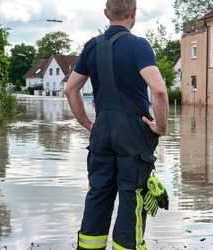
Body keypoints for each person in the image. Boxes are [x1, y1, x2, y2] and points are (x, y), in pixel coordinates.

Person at [64, 0, 169, 249]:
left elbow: (70, 90)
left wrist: (88, 124)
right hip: (133, 133)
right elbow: (159, 90)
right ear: (133, 13)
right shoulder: (139, 45)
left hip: (101, 131)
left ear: (106, 14)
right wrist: (161, 127)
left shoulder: (91, 46)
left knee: (98, 192)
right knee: (132, 194)